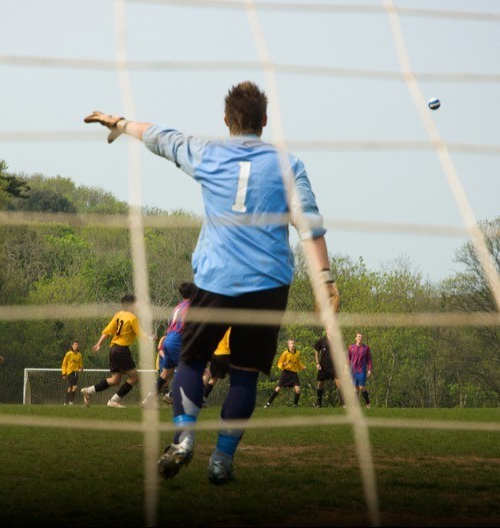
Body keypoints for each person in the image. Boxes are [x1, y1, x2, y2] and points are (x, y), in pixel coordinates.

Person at [85, 81, 339, 484]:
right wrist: (324, 281)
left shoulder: (208, 152)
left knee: (190, 361)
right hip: (268, 282)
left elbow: (160, 137)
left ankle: (184, 439)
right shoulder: (288, 165)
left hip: (217, 277)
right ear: (265, 120)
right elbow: (309, 224)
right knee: (244, 375)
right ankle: (221, 460)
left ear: (226, 119)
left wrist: (121, 123)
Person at [81, 294, 152, 408]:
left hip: (114, 349)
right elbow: (141, 335)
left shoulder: (118, 315)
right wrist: (150, 338)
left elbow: (107, 331)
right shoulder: (132, 318)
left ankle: (88, 391)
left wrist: (99, 344)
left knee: (115, 380)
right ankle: (113, 400)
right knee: (134, 378)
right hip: (122, 350)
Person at [142, 282, 196, 408]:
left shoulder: (177, 308)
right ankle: (172, 395)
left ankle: (148, 400)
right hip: (178, 340)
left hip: (168, 340)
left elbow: (170, 325)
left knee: (165, 374)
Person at [264, 339, 305, 408]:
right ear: (288, 345)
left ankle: (295, 405)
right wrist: (283, 364)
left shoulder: (297, 353)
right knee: (278, 388)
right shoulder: (285, 353)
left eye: (294, 343)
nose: (293, 345)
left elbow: (298, 362)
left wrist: (302, 366)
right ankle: (268, 403)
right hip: (285, 373)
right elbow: (279, 363)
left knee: (298, 389)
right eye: (291, 343)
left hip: (294, 374)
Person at [202, 327, 231, 406]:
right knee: (237, 376)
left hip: (215, 355)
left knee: (214, 378)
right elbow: (229, 342)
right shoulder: (229, 328)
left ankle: (203, 397)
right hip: (226, 354)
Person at [313, 330, 340, 407]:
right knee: (320, 384)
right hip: (323, 365)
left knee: (340, 384)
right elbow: (316, 350)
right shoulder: (322, 340)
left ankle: (344, 404)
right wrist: (317, 363)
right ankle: (319, 403)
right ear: (327, 331)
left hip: (334, 366)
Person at [348, 332, 373, 409]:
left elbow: (369, 359)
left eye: (361, 337)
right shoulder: (351, 347)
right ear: (355, 338)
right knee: (355, 388)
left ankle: (367, 403)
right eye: (359, 337)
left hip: (361, 370)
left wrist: (369, 369)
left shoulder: (366, 348)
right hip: (353, 370)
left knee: (361, 387)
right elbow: (348, 359)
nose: (360, 338)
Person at [62, 340, 83, 405]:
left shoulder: (79, 354)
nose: (77, 346)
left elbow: (80, 364)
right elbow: (64, 364)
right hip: (70, 372)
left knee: (70, 388)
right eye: (75, 344)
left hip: (76, 373)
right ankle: (71, 402)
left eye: (78, 345)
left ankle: (66, 402)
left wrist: (81, 368)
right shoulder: (68, 354)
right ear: (72, 346)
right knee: (75, 387)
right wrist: (64, 373)